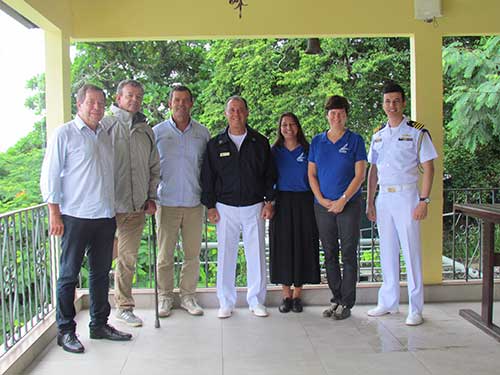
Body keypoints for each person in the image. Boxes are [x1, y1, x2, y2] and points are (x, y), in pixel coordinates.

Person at [40, 84, 132, 354]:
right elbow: (50, 176)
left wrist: (113, 210)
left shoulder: (105, 134)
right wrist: (54, 213)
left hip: (104, 216)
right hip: (74, 216)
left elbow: (105, 176)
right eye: (91, 102)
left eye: (101, 103)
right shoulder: (64, 134)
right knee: (68, 274)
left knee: (101, 274)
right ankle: (66, 330)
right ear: (79, 104)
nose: (97, 108)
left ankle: (99, 325)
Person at [366, 82, 437, 326]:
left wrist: (424, 200)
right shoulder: (378, 134)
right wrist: (370, 201)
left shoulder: (417, 131)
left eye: (396, 101)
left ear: (403, 103)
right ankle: (388, 301)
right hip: (384, 197)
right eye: (387, 101)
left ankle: (415, 308)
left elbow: (429, 168)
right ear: (383, 104)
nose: (392, 105)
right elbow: (372, 170)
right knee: (386, 251)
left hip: (407, 196)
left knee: (411, 252)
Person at [201, 95, 276, 319]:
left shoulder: (259, 142)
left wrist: (269, 201)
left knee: (256, 255)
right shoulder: (215, 144)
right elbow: (207, 177)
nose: (236, 114)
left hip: (254, 206)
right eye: (232, 110)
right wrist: (210, 206)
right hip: (225, 207)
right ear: (226, 114)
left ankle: (256, 301)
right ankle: (225, 302)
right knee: (225, 255)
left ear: (247, 113)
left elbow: (269, 174)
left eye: (240, 110)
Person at [101, 79, 160, 327]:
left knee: (127, 259)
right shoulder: (104, 125)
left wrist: (151, 196)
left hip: (136, 207)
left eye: (138, 96)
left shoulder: (146, 130)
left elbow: (154, 167)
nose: (134, 100)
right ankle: (98, 310)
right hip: (106, 207)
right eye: (129, 96)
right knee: (101, 259)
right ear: (118, 98)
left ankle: (124, 307)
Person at [308, 95, 367, 320]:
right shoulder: (317, 141)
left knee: (349, 254)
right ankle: (336, 298)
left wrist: (343, 199)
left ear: (346, 115)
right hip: (323, 206)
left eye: (340, 113)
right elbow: (311, 174)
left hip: (348, 205)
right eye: (332, 113)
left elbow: (360, 174)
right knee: (330, 253)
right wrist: (321, 199)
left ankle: (347, 302)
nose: (336, 117)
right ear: (327, 115)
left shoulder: (355, 140)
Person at [153, 85, 210, 317]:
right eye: (177, 100)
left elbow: (207, 169)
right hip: (165, 203)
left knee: (192, 255)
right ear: (170, 103)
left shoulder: (202, 133)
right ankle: (165, 297)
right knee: (165, 256)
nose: (181, 104)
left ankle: (188, 297)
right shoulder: (157, 132)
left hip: (194, 203)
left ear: (192, 104)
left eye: (185, 100)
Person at [269, 112, 320, 313]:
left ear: (298, 127)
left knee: (302, 245)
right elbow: (268, 178)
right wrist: (269, 202)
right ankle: (285, 295)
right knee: (281, 246)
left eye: (291, 124)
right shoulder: (274, 151)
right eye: (284, 125)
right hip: (281, 201)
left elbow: (316, 175)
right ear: (279, 128)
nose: (288, 128)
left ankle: (297, 295)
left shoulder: (308, 150)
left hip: (304, 201)